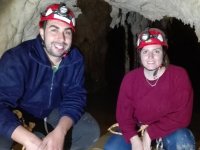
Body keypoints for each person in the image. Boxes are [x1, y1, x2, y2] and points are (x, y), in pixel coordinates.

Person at [0, 2, 100, 150]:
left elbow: (75, 97)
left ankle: (45, 136)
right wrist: (29, 140)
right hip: (19, 113)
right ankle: (37, 136)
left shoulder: (75, 59)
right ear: (42, 32)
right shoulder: (17, 59)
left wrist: (60, 131)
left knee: (89, 130)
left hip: (51, 112)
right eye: (54, 30)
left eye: (67, 32)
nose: (61, 38)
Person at [104, 28, 195, 150]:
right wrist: (134, 139)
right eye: (145, 51)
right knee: (112, 147)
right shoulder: (130, 79)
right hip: (138, 128)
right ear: (140, 54)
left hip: (169, 129)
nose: (150, 57)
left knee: (182, 141)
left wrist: (149, 133)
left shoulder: (178, 76)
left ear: (163, 53)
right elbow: (123, 116)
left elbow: (182, 116)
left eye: (156, 51)